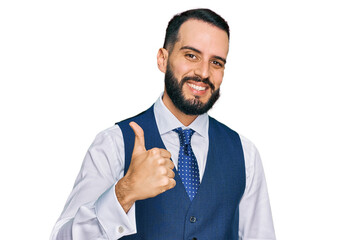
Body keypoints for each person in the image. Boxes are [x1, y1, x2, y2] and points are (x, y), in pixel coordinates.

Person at [50, 8, 276, 240]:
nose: (204, 72)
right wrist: (124, 192)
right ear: (163, 59)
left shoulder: (244, 154)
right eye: (191, 56)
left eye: (216, 62)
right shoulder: (114, 143)